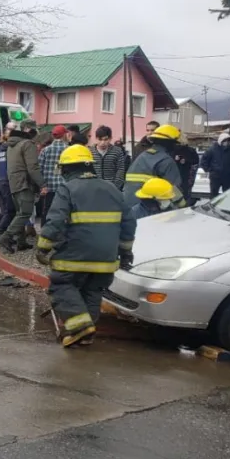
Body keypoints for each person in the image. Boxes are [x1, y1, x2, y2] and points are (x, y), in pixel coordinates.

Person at [35, 145, 136, 348]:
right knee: (92, 291)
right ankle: (86, 334)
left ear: (67, 169)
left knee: (62, 286)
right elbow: (129, 224)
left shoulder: (68, 189)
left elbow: (55, 221)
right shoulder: (113, 189)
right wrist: (125, 252)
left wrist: (43, 247)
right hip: (106, 260)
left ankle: (80, 328)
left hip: (74, 256)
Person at [0, 119, 42, 254]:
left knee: (19, 212)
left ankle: (21, 242)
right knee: (25, 212)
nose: (36, 132)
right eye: (34, 129)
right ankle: (5, 237)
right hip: (24, 183)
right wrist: (42, 184)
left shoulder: (11, 144)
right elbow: (32, 167)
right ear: (28, 129)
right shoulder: (27, 144)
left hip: (13, 183)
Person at [123, 124, 187, 209]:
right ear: (170, 143)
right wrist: (183, 208)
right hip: (151, 209)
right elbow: (174, 190)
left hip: (130, 206)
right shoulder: (166, 161)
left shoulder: (142, 156)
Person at [37, 125, 68, 226]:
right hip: (64, 186)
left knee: (46, 210)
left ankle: (44, 233)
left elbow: (39, 168)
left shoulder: (45, 150)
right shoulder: (68, 149)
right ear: (64, 135)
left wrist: (41, 186)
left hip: (48, 187)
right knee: (61, 210)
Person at [90, 126, 127, 190]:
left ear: (110, 138)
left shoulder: (117, 151)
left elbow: (120, 170)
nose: (103, 142)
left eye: (105, 139)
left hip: (112, 188)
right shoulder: (90, 151)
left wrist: (115, 187)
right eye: (100, 139)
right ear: (96, 138)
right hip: (94, 188)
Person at [201, 132, 230, 197]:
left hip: (228, 176)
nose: (227, 142)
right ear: (221, 141)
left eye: (229, 141)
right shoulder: (212, 149)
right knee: (214, 194)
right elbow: (204, 160)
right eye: (225, 141)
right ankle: (213, 206)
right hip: (215, 177)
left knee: (228, 195)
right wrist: (209, 170)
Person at [172, 137, 199, 202]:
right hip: (177, 174)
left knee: (185, 190)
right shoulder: (173, 151)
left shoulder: (190, 151)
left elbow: (196, 160)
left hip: (186, 174)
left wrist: (186, 161)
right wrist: (174, 159)